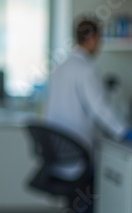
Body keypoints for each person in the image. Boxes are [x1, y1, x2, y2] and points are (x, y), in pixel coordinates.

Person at [45, 16, 132, 156]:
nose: (100, 45)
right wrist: (123, 132)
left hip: (56, 148)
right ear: (92, 38)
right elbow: (99, 108)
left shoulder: (59, 66)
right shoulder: (86, 69)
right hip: (76, 148)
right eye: (100, 39)